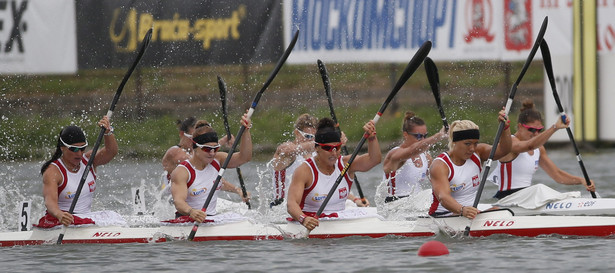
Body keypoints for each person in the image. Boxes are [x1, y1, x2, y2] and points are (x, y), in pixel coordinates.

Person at [287, 118, 380, 231]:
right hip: (312, 223)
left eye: (337, 147)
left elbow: (374, 160)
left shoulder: (346, 164)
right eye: (328, 148)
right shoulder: (304, 171)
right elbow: (291, 204)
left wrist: (372, 137)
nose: (334, 153)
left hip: (339, 219)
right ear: (317, 148)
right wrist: (303, 219)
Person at [490, 100, 596, 199]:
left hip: (526, 199)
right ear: (520, 126)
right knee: (540, 188)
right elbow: (529, 146)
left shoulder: (539, 149)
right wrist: (555, 127)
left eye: (539, 130)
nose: (535, 134)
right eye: (531, 129)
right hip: (507, 199)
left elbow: (557, 175)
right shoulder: (510, 143)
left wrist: (582, 180)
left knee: (560, 194)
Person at [428, 109, 512, 219]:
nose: (472, 148)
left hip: (470, 211)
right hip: (444, 215)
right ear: (454, 142)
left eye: (475, 143)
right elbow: (443, 197)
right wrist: (462, 210)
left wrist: (505, 128)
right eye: (467, 144)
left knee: (499, 211)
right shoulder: (440, 165)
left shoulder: (479, 152)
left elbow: (504, 150)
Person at [37, 117, 120, 227]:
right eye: (74, 149)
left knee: (114, 216)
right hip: (62, 220)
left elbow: (111, 152)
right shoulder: (53, 172)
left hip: (85, 218)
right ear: (63, 148)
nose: (79, 154)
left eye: (83, 148)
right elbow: (50, 202)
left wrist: (108, 132)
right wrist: (60, 214)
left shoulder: (89, 161)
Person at [169, 113, 252, 223]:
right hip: (188, 220)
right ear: (195, 147)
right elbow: (178, 201)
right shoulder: (182, 172)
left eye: (215, 149)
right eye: (207, 149)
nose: (212, 153)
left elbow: (244, 157)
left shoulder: (217, 160)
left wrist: (245, 131)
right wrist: (191, 211)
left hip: (211, 218)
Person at [382, 111, 447, 203]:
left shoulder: (426, 157)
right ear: (405, 134)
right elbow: (411, 151)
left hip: (416, 202)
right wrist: (438, 136)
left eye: (425, 136)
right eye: (419, 136)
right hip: (394, 204)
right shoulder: (396, 154)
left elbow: (439, 182)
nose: (423, 140)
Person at [161, 117, 233, 192]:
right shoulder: (174, 152)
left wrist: (238, 190)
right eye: (193, 137)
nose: (196, 141)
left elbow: (214, 179)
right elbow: (196, 159)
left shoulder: (196, 154)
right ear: (182, 134)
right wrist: (221, 142)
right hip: (171, 200)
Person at [268, 113, 318, 207]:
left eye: (314, 137)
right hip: (281, 207)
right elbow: (288, 150)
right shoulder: (287, 150)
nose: (311, 140)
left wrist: (355, 199)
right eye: (307, 136)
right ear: (297, 133)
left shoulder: (316, 154)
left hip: (308, 205)